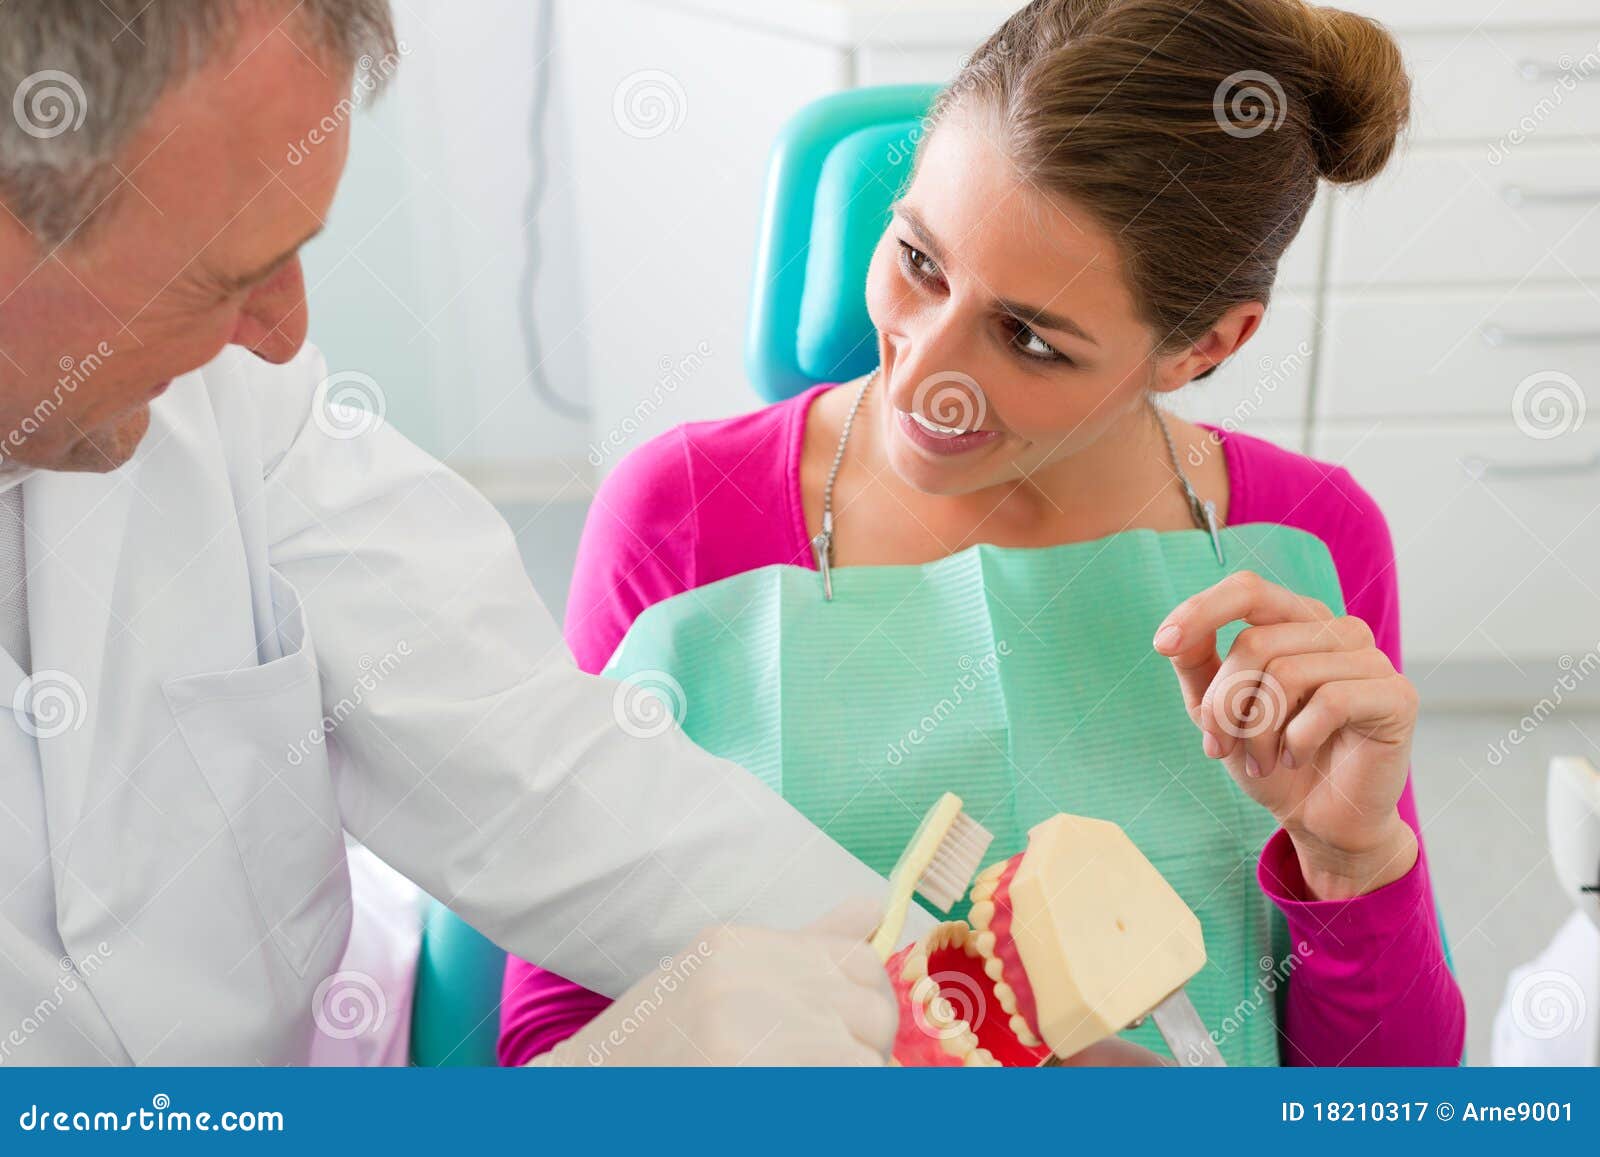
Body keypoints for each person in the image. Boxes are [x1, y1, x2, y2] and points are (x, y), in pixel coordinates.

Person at [500, 0, 1467, 1067]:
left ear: (1203, 345)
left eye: (1028, 339)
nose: (923, 377)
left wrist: (1350, 857)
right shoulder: (681, 517)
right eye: (918, 260)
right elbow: (552, 1043)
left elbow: (1393, 1101)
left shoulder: (1305, 542)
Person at [0, 0, 906, 1066]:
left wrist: (948, 995)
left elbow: (527, 751)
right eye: (219, 278)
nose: (285, 334)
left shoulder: (230, 392)